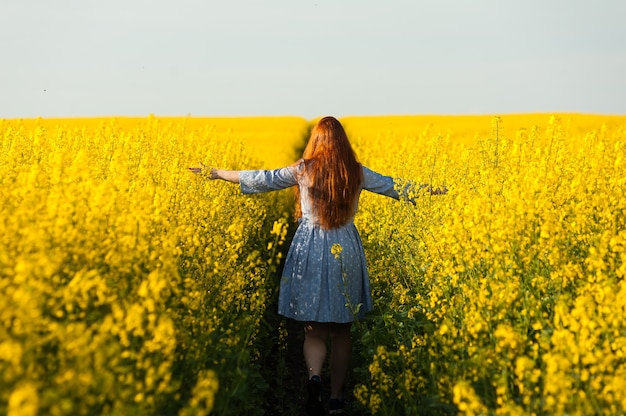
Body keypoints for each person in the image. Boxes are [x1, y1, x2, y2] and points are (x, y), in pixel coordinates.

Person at [189, 116, 446, 415]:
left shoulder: (302, 169)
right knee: (342, 329)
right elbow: (397, 187)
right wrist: (439, 190)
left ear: (316, 141)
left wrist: (218, 173)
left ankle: (314, 381)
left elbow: (263, 178)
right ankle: (336, 398)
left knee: (314, 330)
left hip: (310, 246)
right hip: (345, 247)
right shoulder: (357, 172)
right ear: (343, 143)